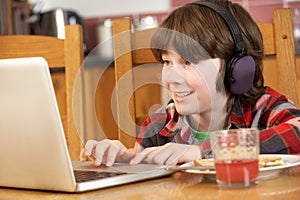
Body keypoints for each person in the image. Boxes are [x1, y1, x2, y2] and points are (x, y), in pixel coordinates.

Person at [80, 0, 300, 167]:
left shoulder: (265, 108)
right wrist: (122, 160)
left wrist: (206, 153)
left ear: (237, 68)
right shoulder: (161, 124)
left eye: (188, 62)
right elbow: (146, 182)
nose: (170, 78)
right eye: (167, 62)